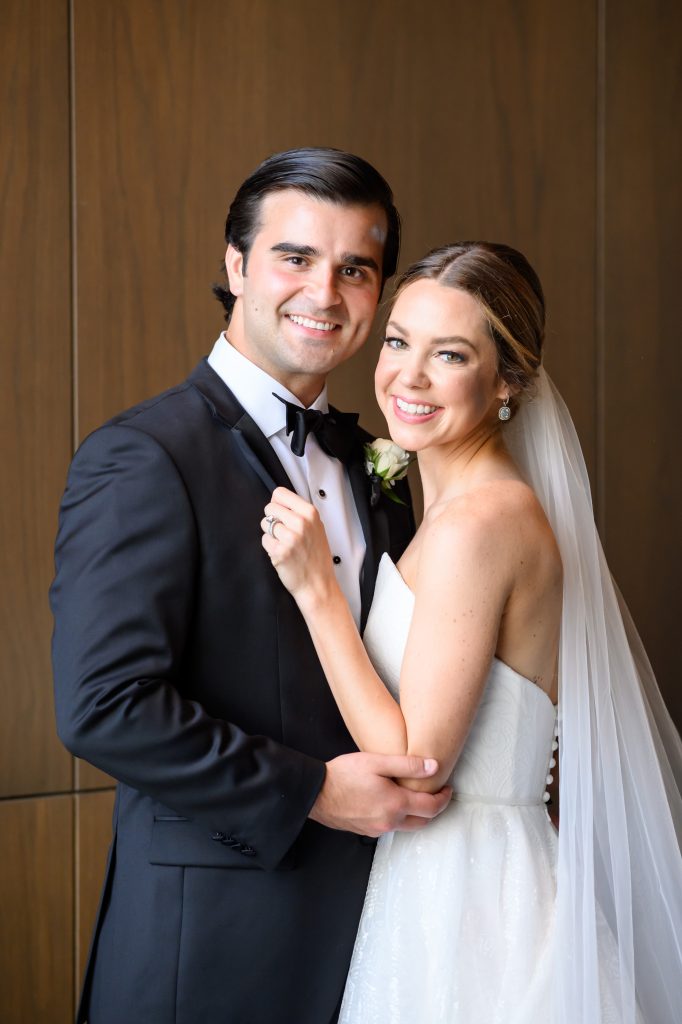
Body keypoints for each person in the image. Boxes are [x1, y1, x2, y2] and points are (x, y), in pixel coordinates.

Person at [49, 148, 453, 1024]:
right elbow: (103, 705)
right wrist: (311, 790)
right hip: (214, 949)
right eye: (295, 257)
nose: (325, 293)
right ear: (235, 267)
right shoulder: (144, 457)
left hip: (380, 931)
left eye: (356, 269)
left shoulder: (377, 459)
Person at [262, 241, 682, 1023]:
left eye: (449, 354)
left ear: (508, 382)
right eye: (398, 341)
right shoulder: (468, 511)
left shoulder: (480, 524)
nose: (407, 376)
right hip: (448, 880)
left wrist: (318, 593)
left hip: (472, 901)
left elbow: (419, 767)